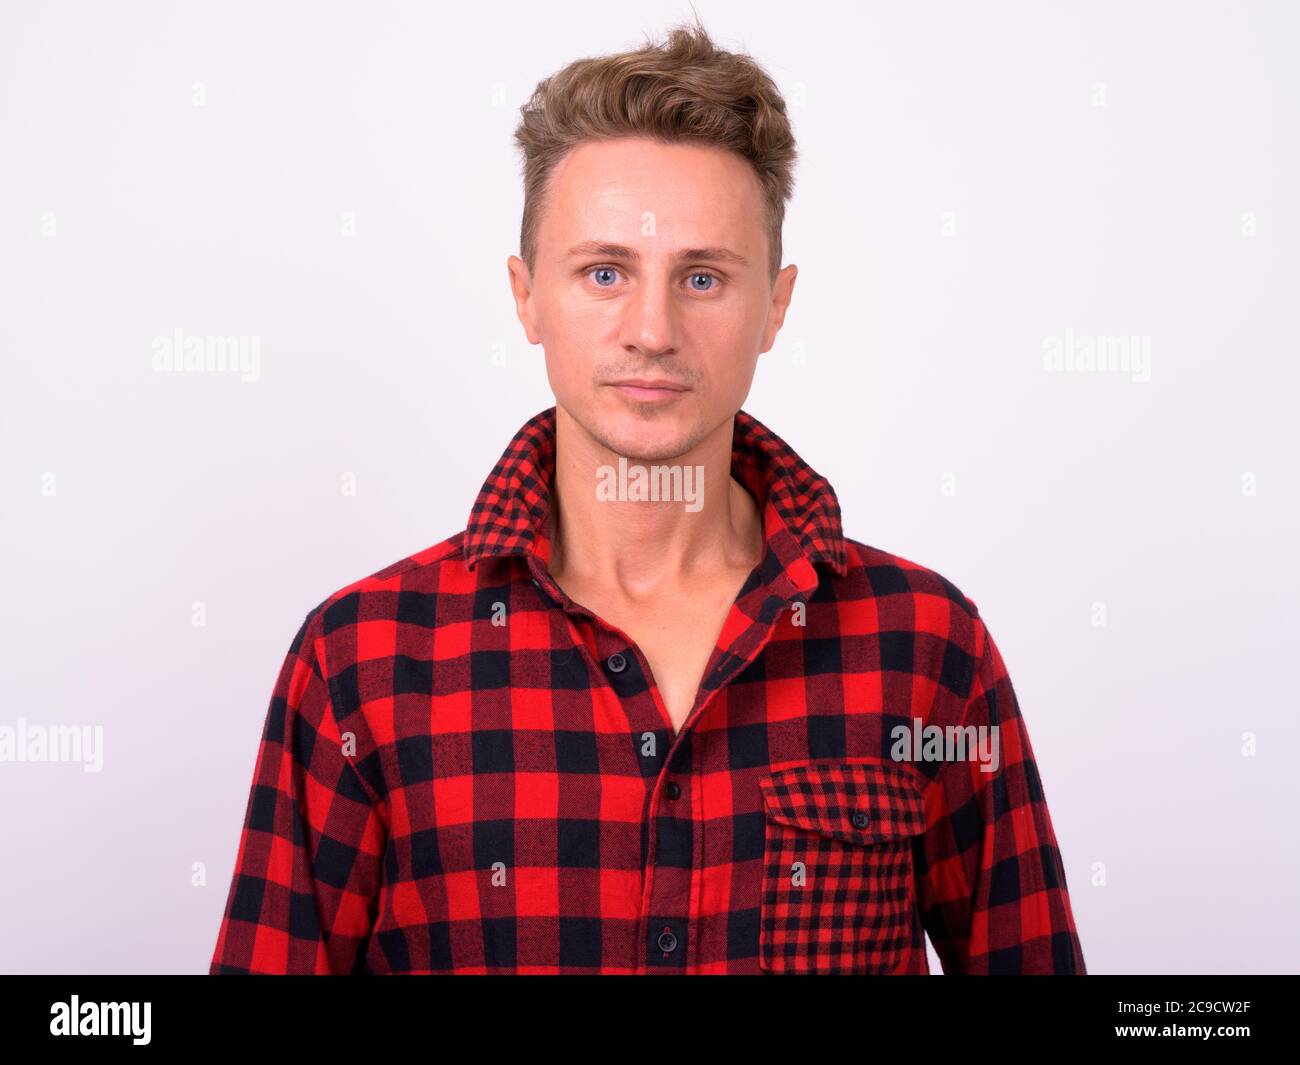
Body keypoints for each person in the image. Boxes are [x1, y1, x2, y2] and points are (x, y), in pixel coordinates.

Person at [210, 16, 1086, 975]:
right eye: (604, 272)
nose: (653, 329)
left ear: (775, 306)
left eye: (702, 276)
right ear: (527, 295)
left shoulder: (925, 646)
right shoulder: (362, 659)